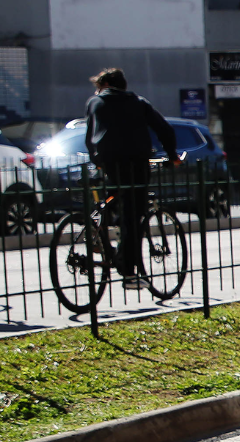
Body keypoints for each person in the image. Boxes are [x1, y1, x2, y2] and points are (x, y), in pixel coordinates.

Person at [84, 68, 179, 289]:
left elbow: (89, 136)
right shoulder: (138, 102)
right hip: (136, 162)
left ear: (104, 85)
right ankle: (128, 273)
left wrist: (96, 159)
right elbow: (164, 129)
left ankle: (100, 231)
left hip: (109, 162)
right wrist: (172, 155)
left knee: (114, 197)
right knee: (133, 215)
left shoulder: (94, 102)